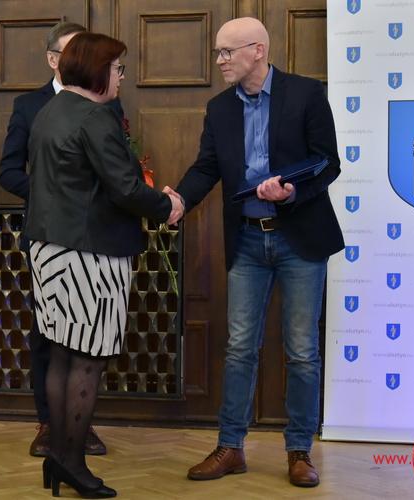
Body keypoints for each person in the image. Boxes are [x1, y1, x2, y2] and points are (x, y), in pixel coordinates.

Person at [165, 17, 344, 488]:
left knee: (302, 350)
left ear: (258, 50)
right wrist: (180, 200)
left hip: (299, 237)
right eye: (218, 52)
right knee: (240, 347)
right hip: (246, 240)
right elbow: (206, 167)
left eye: (227, 52)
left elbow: (328, 163)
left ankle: (300, 450)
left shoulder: (306, 94)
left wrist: (291, 191)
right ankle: (231, 447)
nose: (219, 61)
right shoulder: (219, 108)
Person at [27, 32, 183, 498]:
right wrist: (168, 207)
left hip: (49, 251)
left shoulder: (50, 111)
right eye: (117, 68)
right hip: (90, 256)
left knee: (61, 355)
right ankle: (73, 463)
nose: (121, 77)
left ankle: (58, 458)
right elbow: (125, 188)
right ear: (97, 69)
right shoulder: (96, 117)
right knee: (88, 361)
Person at [0, 21, 123, 458]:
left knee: (86, 343)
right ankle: (49, 425)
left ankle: (78, 428)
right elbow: (8, 171)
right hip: (49, 238)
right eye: (73, 51)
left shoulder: (108, 100)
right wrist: (55, 195)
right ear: (54, 59)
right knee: (49, 337)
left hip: (95, 241)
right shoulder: (30, 105)